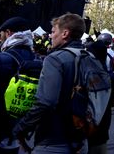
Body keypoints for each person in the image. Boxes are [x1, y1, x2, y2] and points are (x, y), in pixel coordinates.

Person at [13, 13, 92, 154]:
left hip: (53, 140)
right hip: (81, 138)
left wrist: (21, 127)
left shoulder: (55, 59)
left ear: (65, 33)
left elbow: (45, 101)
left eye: (53, 31)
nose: (50, 35)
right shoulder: (90, 57)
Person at [0, 17, 38, 152]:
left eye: (0, 35)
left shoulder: (2, 59)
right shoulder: (35, 58)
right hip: (21, 129)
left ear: (8, 33)